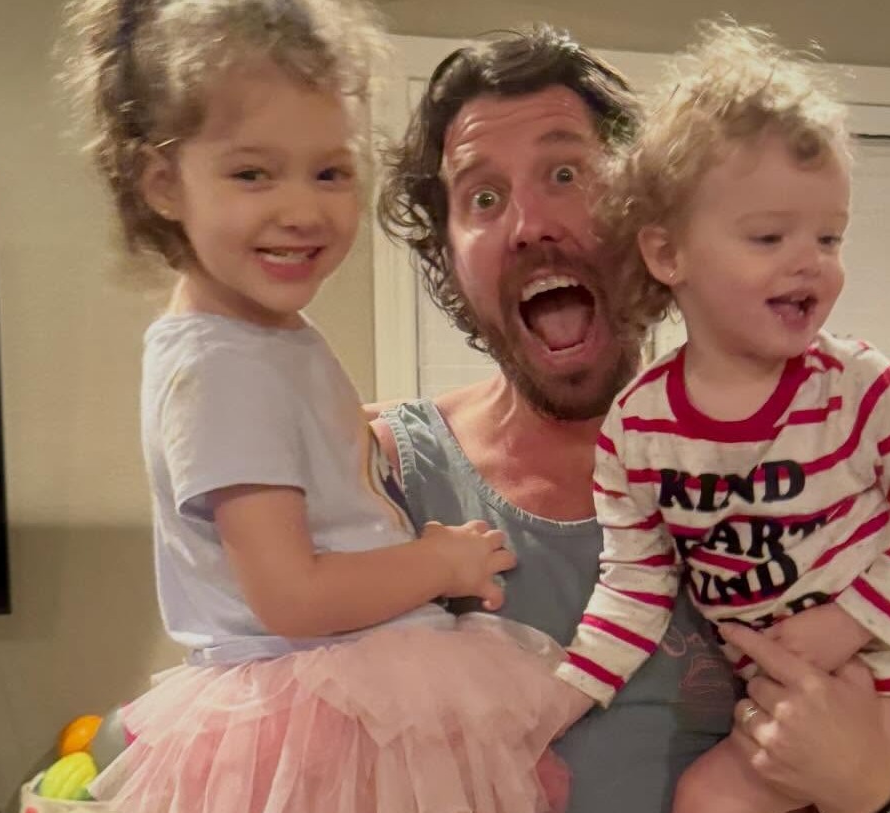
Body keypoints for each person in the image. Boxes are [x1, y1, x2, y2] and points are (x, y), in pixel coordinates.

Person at [377, 24, 890, 813]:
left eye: (567, 173)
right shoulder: (388, 480)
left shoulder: (818, 452)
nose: (530, 224)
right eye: (482, 197)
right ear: (449, 257)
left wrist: (874, 792)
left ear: (650, 213)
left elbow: (888, 716)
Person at [63, 1, 582, 810]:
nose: (303, 210)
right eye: (252, 173)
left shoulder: (260, 339)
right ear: (162, 183)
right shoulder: (221, 366)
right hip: (320, 713)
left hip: (345, 693)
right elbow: (292, 594)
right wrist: (439, 562)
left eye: (330, 172)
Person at [550, 22, 890, 813]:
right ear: (667, 254)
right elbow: (637, 581)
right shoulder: (637, 429)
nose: (810, 259)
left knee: (706, 799)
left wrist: (848, 622)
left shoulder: (856, 385)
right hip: (780, 699)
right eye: (768, 236)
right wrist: (567, 691)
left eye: (830, 236)